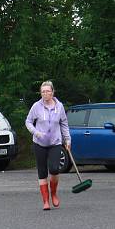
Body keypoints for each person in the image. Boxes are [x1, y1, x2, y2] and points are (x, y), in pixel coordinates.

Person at [25, 81, 71, 210]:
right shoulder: (36, 106)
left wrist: (68, 140)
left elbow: (64, 124)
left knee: (55, 169)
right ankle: (46, 201)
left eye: (48, 91)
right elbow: (28, 122)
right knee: (42, 172)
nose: (45, 93)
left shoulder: (60, 107)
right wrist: (36, 132)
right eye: (43, 91)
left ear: (52, 92)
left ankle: (54, 193)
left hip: (55, 143)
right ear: (41, 93)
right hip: (39, 143)